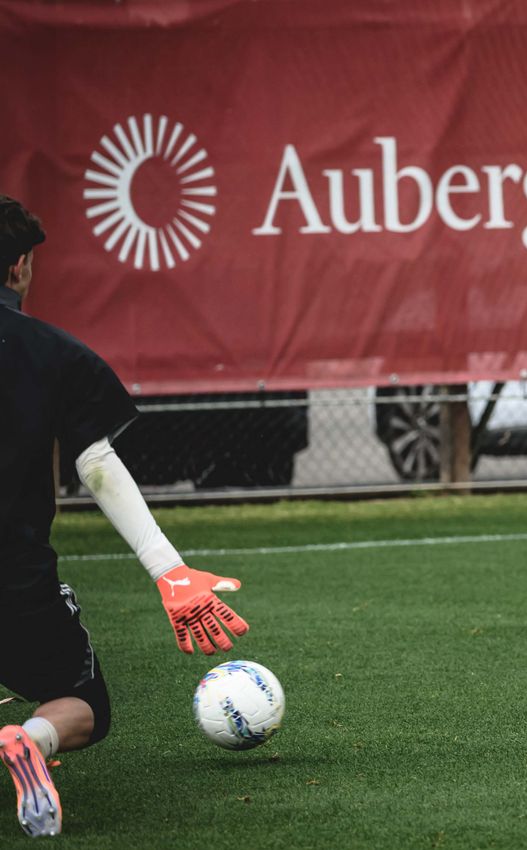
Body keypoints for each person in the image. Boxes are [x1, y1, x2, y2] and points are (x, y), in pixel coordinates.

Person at [0, 195, 250, 837]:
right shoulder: (53, 354)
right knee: (84, 704)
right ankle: (32, 739)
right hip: (14, 575)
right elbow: (97, 464)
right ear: (19, 266)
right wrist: (169, 570)